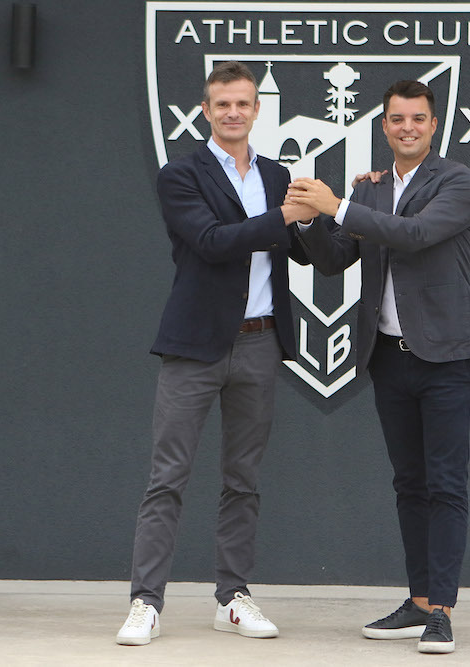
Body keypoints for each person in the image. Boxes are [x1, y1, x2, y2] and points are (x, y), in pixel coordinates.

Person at [286, 80, 470, 655]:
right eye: (397, 119)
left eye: (418, 119)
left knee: (446, 484)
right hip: (387, 356)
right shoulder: (371, 190)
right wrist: (308, 219)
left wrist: (339, 205)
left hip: (448, 356)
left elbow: (419, 234)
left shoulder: (455, 181)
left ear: (434, 125)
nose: (407, 127)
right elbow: (333, 260)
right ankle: (420, 599)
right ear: (384, 126)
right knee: (410, 483)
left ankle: (442, 613)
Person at [116, 61, 317, 646]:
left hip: (260, 342)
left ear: (257, 110)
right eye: (222, 104)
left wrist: (348, 205)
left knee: (243, 479)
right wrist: (282, 216)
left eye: (244, 104)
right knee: (168, 477)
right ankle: (145, 602)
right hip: (196, 346)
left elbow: (312, 252)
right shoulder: (181, 174)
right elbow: (209, 243)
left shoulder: (278, 175)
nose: (233, 112)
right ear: (206, 111)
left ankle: (232, 596)